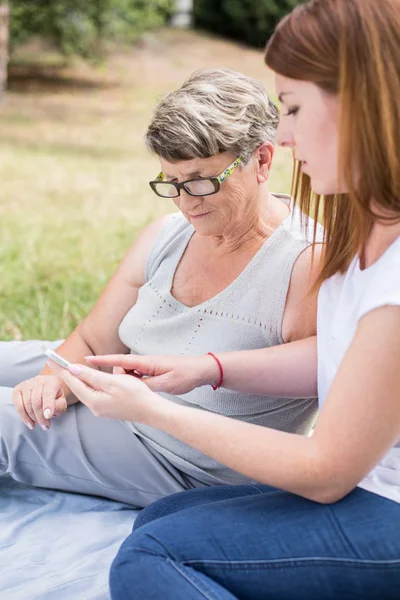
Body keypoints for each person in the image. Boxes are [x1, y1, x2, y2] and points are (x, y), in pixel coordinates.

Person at [49, 0, 400, 596]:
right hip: (367, 485)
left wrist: (152, 411)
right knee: (162, 521)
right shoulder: (362, 226)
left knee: (150, 556)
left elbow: (326, 473)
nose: (283, 136)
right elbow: (339, 356)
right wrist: (206, 369)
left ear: (361, 102)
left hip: (380, 501)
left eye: (291, 108)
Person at [0, 68, 322, 506]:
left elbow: (322, 374)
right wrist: (52, 379)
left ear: (262, 161)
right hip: (119, 389)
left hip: (182, 459)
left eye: (201, 180)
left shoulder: (305, 262)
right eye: (170, 184)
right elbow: (95, 338)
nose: (186, 201)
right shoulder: (166, 234)